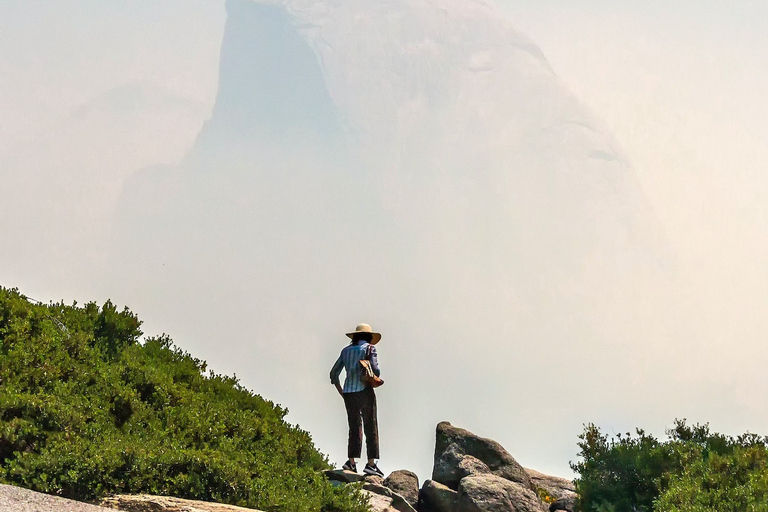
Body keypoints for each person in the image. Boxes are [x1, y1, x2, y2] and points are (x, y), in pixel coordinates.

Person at [330, 323, 384, 477]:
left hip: (348, 392)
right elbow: (376, 370)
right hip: (365, 390)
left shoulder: (345, 351)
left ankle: (351, 462)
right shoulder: (369, 349)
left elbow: (334, 374)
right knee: (370, 425)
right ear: (368, 337)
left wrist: (342, 391)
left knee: (354, 427)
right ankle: (371, 464)